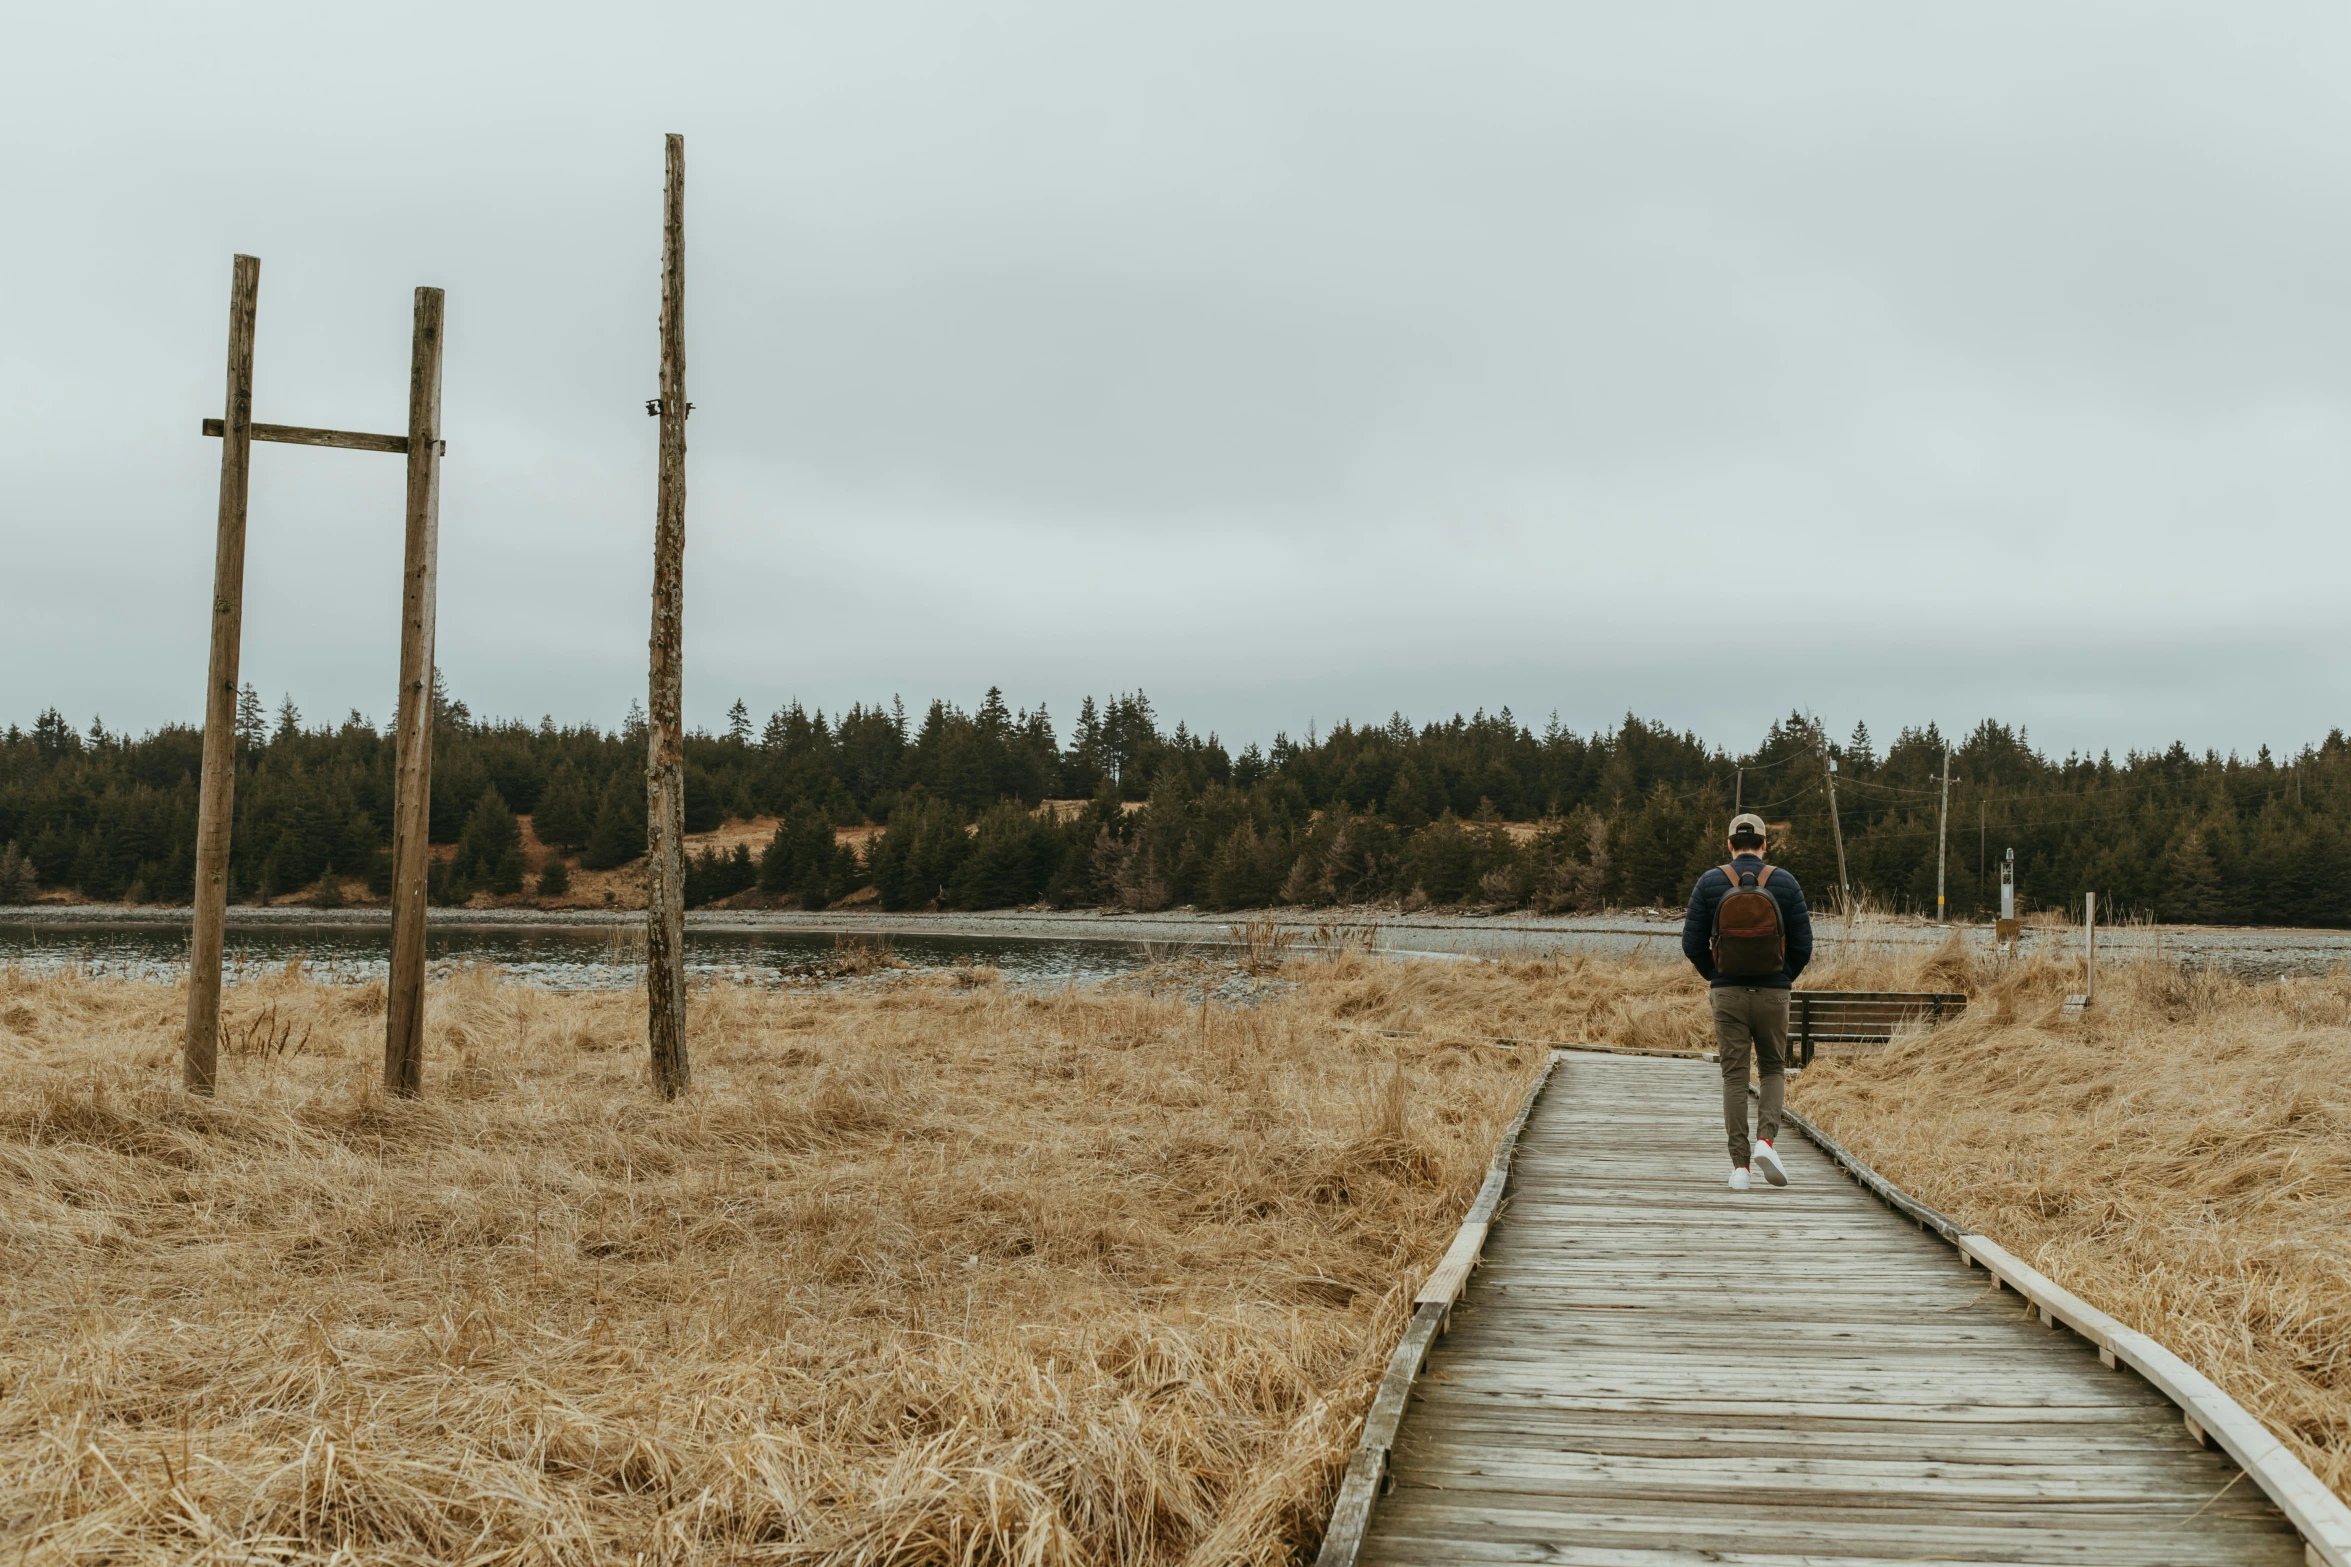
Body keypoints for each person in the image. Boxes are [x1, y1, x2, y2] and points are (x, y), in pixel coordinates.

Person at [1681, 812, 1813, 1191]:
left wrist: (1718, 975)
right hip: (1774, 991)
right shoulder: (1785, 882)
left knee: (1734, 1077)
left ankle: (1740, 1168)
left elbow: (1692, 945)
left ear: (1729, 845)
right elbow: (1804, 945)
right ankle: (1766, 1142)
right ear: (1764, 843)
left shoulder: (1709, 882)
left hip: (1728, 993)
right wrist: (1782, 977)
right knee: (1772, 1069)